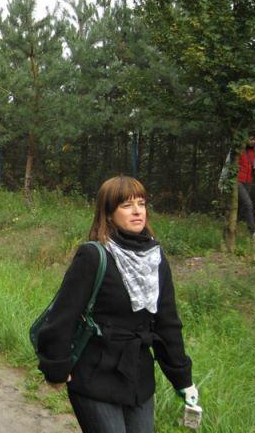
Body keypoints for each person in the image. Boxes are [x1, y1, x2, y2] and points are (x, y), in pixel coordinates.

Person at [36, 175, 198, 433]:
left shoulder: (155, 258)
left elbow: (167, 323)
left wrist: (182, 379)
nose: (137, 211)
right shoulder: (93, 255)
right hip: (95, 376)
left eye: (141, 204)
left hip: (138, 380)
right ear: (109, 214)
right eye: (126, 205)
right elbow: (62, 317)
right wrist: (56, 366)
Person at [237, 136, 255, 239]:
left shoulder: (253, 153)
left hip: (248, 182)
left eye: (254, 140)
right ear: (245, 139)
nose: (252, 141)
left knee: (241, 207)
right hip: (238, 181)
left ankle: (230, 227)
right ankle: (253, 232)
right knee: (248, 204)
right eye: (250, 139)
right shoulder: (238, 150)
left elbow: (253, 165)